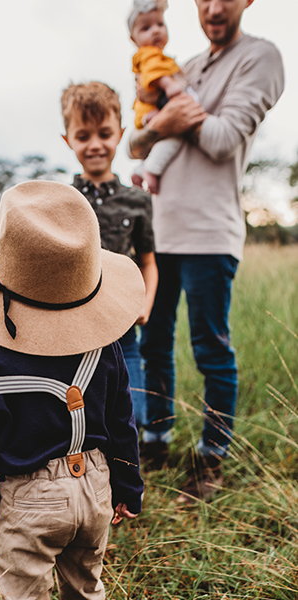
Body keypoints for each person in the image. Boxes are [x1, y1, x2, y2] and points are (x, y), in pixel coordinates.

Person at [0, 181, 145, 599]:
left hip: (30, 499)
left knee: (25, 590)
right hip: (96, 487)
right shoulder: (106, 350)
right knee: (87, 586)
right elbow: (122, 422)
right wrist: (129, 486)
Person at [128, 0, 285, 502]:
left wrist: (168, 120)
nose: (214, 7)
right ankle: (156, 439)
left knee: (210, 348)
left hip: (209, 234)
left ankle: (211, 457)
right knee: (152, 342)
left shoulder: (260, 57)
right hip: (157, 231)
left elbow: (219, 139)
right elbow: (135, 143)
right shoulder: (185, 65)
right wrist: (163, 123)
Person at [61, 81, 158, 432]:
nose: (95, 145)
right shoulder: (62, 199)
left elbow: (147, 260)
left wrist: (144, 303)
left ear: (119, 134)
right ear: (68, 140)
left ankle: (131, 461)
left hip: (122, 323)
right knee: (78, 399)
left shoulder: (138, 200)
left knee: (128, 397)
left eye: (104, 134)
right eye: (83, 136)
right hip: (72, 322)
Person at [128, 0, 196, 194]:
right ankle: (151, 169)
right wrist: (169, 85)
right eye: (146, 28)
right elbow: (154, 74)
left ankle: (141, 169)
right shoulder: (148, 54)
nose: (156, 31)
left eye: (160, 24)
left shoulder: (160, 55)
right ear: (133, 38)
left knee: (165, 138)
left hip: (152, 111)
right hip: (152, 111)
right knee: (175, 136)